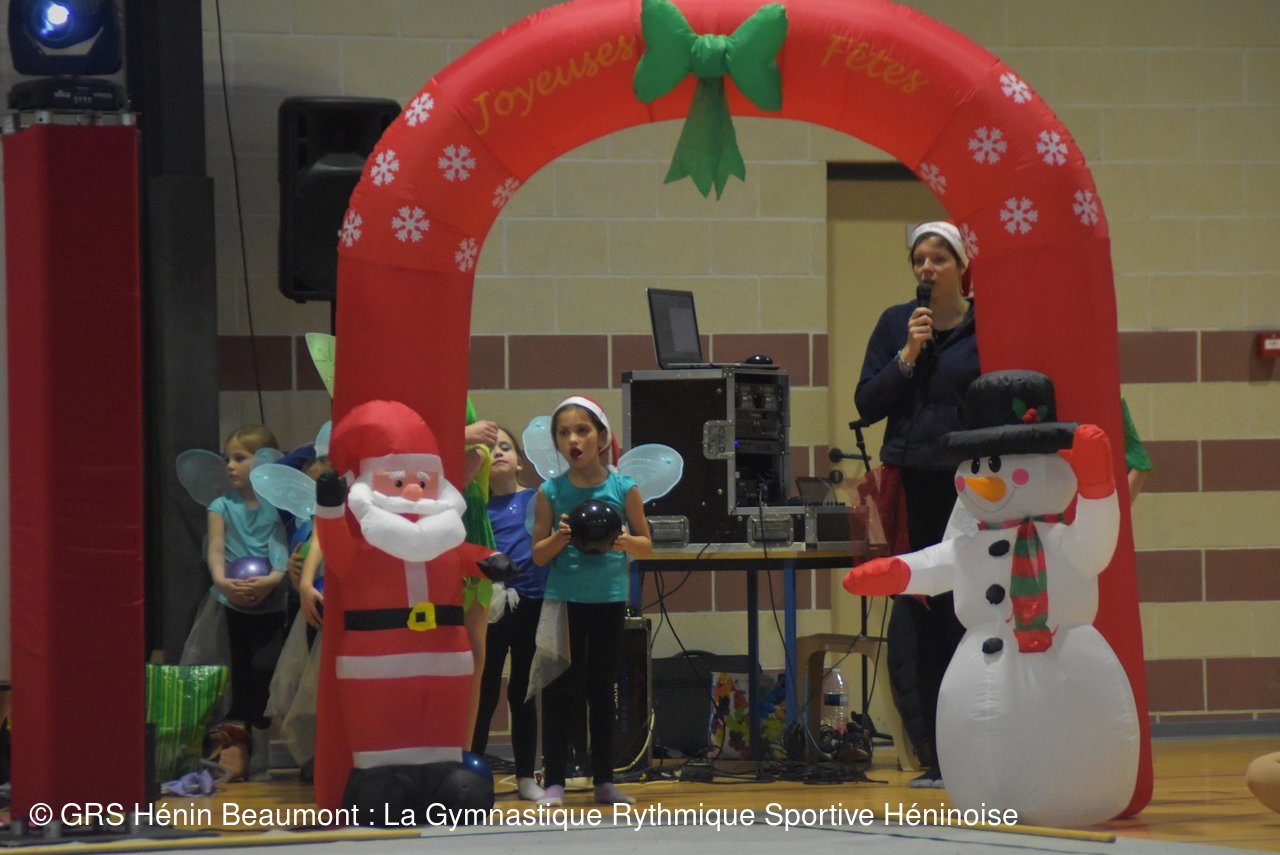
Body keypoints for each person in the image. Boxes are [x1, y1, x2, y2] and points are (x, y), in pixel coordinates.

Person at [854, 221, 979, 789]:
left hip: (970, 488)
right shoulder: (895, 324)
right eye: (919, 259)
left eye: (939, 258)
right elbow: (867, 403)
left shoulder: (984, 327)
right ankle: (934, 754)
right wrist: (907, 355)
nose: (927, 267)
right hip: (912, 483)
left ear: (962, 266)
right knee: (920, 616)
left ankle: (974, 746)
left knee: (964, 611)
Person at [531, 397, 651, 807]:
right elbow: (538, 555)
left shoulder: (624, 488)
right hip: (564, 600)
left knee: (602, 690)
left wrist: (625, 541)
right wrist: (560, 537)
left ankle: (604, 780)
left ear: (601, 438)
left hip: (609, 600)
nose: (573, 440)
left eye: (582, 431)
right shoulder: (550, 492)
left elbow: (646, 545)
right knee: (561, 690)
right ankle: (555, 781)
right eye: (564, 433)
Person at [202, 424, 289, 782]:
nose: (230, 466)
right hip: (232, 600)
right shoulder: (221, 506)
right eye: (227, 459)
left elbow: (283, 545)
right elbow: (216, 548)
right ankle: (237, 746)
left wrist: (274, 579)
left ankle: (261, 743)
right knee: (236, 671)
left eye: (240, 458)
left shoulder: (278, 506)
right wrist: (222, 580)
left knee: (264, 669)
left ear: (265, 460)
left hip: (272, 602)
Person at [471, 427, 548, 801]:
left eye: (506, 447)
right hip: (491, 607)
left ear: (519, 461)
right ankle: (471, 770)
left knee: (523, 692)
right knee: (484, 692)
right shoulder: (477, 506)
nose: (498, 452)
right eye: (491, 449)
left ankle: (525, 776)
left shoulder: (536, 499)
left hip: (532, 604)